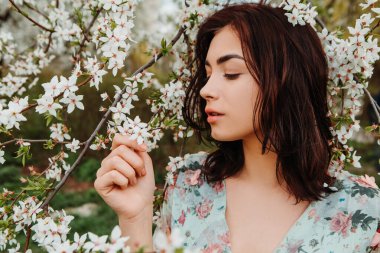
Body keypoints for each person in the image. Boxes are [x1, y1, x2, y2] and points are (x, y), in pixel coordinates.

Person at [94, 2, 380, 253]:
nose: (206, 89)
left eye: (231, 73)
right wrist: (136, 219)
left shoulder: (362, 208)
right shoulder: (188, 185)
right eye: (207, 74)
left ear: (286, 80)